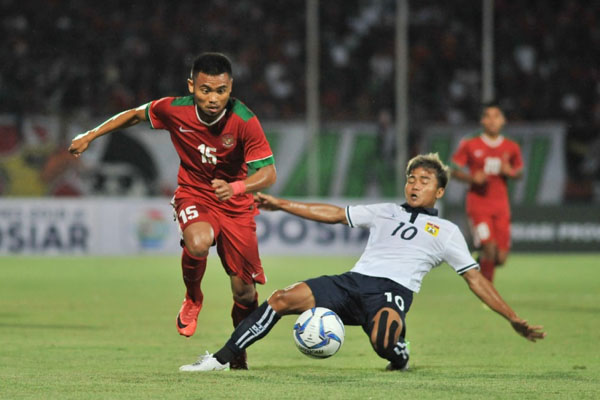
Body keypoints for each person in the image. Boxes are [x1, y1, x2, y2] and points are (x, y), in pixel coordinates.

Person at [178, 153, 545, 372]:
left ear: (440, 191)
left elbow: (476, 279)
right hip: (351, 283)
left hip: (390, 293)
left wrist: (513, 318)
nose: (414, 185)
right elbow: (336, 214)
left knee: (384, 338)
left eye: (424, 180)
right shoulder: (385, 211)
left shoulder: (446, 231)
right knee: (280, 298)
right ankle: (221, 359)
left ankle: (400, 354)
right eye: (411, 179)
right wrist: (282, 203)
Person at [68, 52, 277, 369]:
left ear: (230, 88)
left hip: (236, 205)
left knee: (245, 292)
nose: (213, 98)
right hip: (194, 193)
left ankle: (238, 352)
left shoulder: (244, 120)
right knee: (198, 241)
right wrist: (91, 135)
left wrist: (237, 188)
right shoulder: (173, 109)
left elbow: (269, 174)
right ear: (192, 85)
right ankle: (193, 297)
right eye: (206, 89)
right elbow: (135, 115)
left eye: (221, 90)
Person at [450, 103, 523, 283]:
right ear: (482, 120)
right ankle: (487, 292)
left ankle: (478, 262)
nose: (492, 120)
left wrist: (510, 172)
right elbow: (453, 170)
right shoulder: (470, 143)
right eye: (488, 116)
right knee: (489, 247)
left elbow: (519, 171)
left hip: (501, 206)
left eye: (496, 116)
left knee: (501, 258)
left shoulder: (511, 146)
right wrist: (471, 178)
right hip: (478, 205)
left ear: (503, 120)